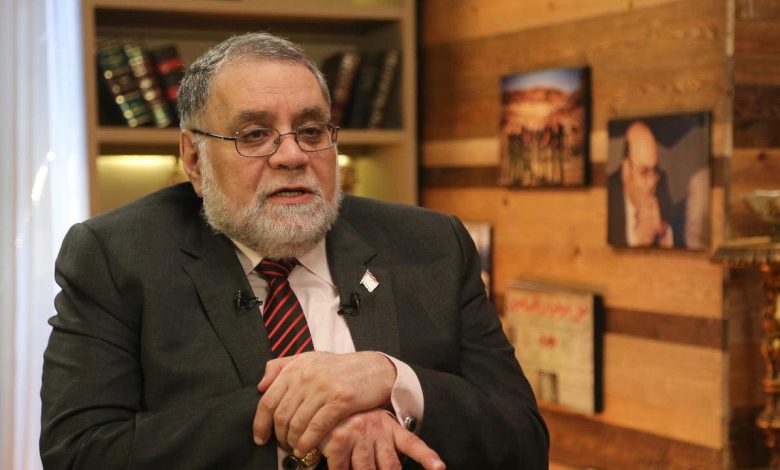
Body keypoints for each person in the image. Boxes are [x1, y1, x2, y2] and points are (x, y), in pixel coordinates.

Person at [40, 33, 548, 469]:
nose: (292, 155)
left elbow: (523, 440)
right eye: (255, 134)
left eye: (311, 130)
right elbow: (80, 453)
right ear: (194, 159)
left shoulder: (433, 244)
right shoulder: (116, 257)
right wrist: (311, 419)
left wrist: (394, 381)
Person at [608, 121, 682, 248]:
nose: (652, 182)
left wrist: (661, 232)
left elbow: (675, 233)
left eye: (655, 170)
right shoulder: (608, 193)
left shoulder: (662, 182)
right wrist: (637, 243)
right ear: (626, 170)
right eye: (643, 172)